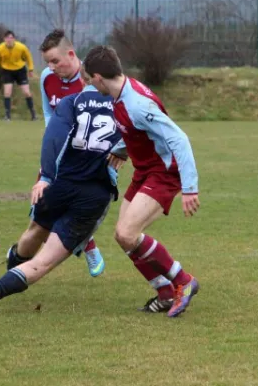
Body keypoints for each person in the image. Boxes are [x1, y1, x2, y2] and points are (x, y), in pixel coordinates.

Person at [0, 77, 120, 313]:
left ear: (88, 75)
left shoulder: (72, 101)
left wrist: (45, 178)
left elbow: (53, 139)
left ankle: (7, 277)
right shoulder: (122, 106)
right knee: (44, 261)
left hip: (59, 185)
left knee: (34, 232)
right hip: (93, 195)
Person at [82, 45, 200, 318]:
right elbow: (137, 132)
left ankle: (183, 281)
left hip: (163, 172)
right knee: (122, 237)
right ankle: (165, 292)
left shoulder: (137, 103)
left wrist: (190, 187)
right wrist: (122, 151)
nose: (89, 83)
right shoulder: (118, 94)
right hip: (144, 171)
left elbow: (179, 139)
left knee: (127, 233)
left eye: (89, 79)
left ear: (99, 77)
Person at [17, 28, 104, 277]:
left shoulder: (93, 78)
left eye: (56, 61)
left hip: (86, 159)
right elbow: (48, 112)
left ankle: (87, 246)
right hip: (57, 155)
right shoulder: (46, 77)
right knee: (40, 211)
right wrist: (53, 141)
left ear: (71, 54)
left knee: (68, 207)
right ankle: (85, 245)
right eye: (48, 62)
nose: (52, 67)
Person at [0, 30, 36, 121]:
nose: (9, 40)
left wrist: (31, 69)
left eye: (11, 38)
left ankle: (33, 114)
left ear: (14, 39)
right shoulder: (0, 48)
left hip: (20, 70)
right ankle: (7, 116)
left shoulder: (21, 47)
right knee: (7, 93)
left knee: (26, 92)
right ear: (4, 39)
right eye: (7, 38)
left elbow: (28, 57)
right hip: (7, 71)